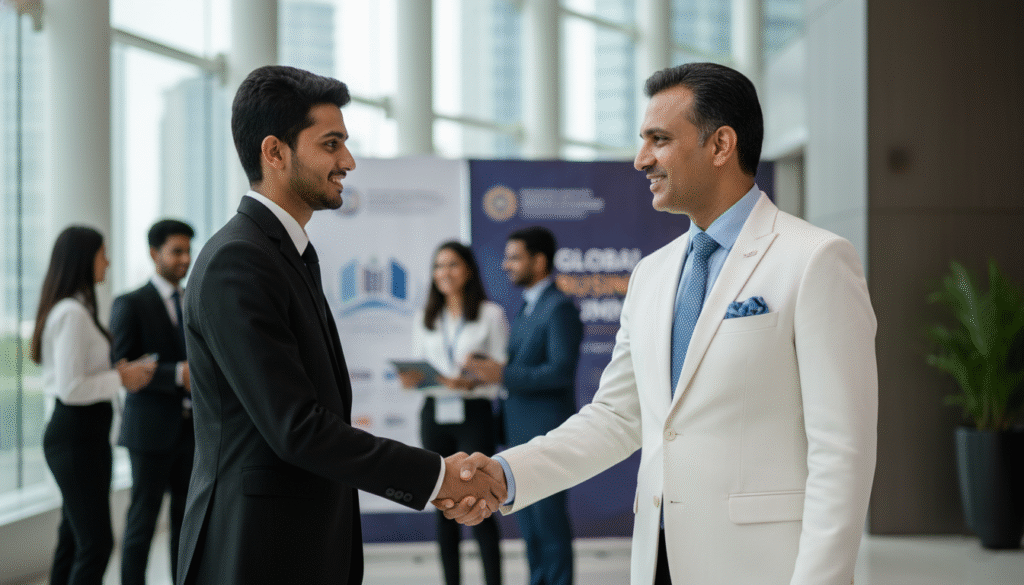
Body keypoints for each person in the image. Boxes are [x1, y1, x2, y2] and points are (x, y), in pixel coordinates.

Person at [451, 62, 878, 585]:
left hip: (764, 568)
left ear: (721, 145)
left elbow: (842, 453)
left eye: (658, 139)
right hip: (659, 560)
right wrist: (509, 472)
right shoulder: (652, 274)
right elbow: (616, 417)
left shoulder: (815, 260)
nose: (640, 159)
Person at [175, 65, 504, 585]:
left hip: (300, 541)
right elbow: (297, 428)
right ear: (274, 152)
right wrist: (437, 476)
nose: (347, 162)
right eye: (331, 145)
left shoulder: (285, 254)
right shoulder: (237, 262)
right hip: (256, 549)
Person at [31, 226, 157, 585]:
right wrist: (122, 379)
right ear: (84, 259)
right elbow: (71, 387)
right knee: (96, 544)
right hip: (75, 437)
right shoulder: (71, 313)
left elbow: (78, 376)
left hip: (83, 436)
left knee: (74, 537)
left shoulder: (76, 308)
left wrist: (118, 372)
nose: (108, 262)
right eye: (103, 254)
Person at [464, 226, 583, 585]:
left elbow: (560, 372)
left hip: (546, 431)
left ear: (539, 260)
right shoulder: (529, 306)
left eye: (514, 257)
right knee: (530, 525)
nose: (505, 265)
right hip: (521, 431)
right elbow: (523, 365)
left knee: (549, 524)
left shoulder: (559, 307)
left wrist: (502, 373)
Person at [398, 241, 508, 585]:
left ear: (468, 270)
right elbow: (420, 367)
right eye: (438, 266)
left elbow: (500, 371)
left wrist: (472, 384)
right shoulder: (424, 318)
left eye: (452, 265)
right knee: (441, 502)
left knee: (481, 501)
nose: (444, 273)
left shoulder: (491, 314)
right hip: (434, 415)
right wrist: (414, 380)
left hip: (473, 412)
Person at [111, 219, 196, 585]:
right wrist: (178, 374)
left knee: (187, 520)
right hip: (150, 432)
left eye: (188, 251)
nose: (185, 259)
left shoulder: (194, 299)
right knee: (142, 521)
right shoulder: (130, 303)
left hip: (192, 429)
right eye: (177, 251)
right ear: (153, 253)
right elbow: (123, 366)